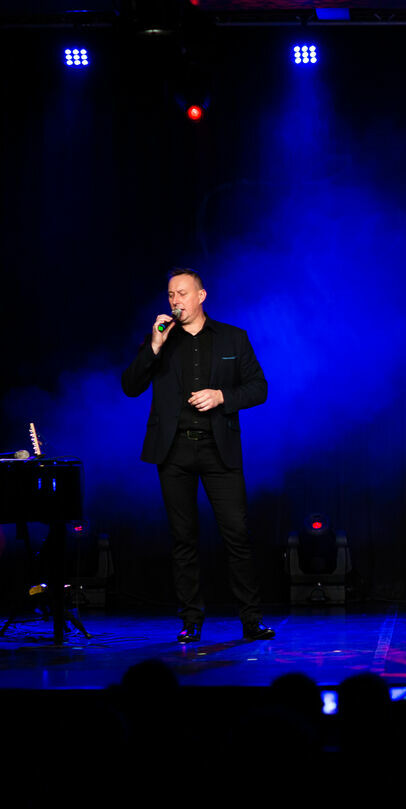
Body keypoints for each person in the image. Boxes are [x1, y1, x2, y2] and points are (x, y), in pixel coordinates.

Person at [121, 268, 274, 643]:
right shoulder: (161, 340)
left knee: (236, 535)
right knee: (183, 539)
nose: (175, 300)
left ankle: (251, 619)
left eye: (183, 293)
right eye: (171, 294)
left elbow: (259, 388)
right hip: (174, 450)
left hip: (218, 449)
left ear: (201, 296)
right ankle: (191, 620)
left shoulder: (233, 337)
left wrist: (222, 396)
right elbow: (130, 386)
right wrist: (154, 346)